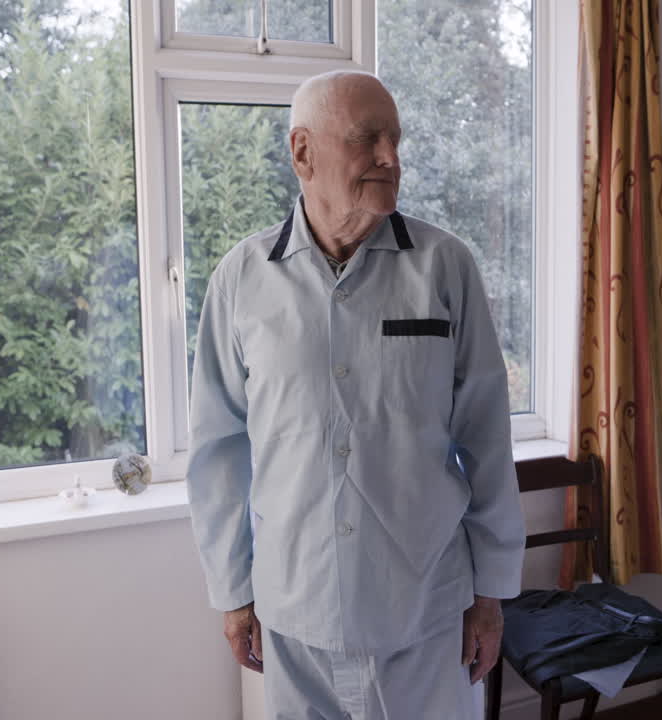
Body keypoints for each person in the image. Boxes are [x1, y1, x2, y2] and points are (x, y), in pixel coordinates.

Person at [185, 70, 526, 719]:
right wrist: (232, 590)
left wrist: (490, 596)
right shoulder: (241, 280)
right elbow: (217, 451)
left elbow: (486, 437)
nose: (390, 158)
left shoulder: (445, 266)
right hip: (296, 611)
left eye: (395, 139)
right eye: (368, 138)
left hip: (428, 610)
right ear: (302, 152)